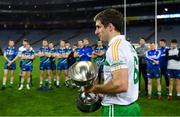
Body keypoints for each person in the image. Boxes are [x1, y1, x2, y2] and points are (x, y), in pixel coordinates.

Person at [85, 9, 141, 116]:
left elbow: (120, 85)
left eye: (98, 27)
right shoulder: (127, 45)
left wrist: (94, 88)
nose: (96, 32)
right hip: (130, 107)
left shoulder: (115, 48)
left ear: (110, 27)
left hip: (117, 109)